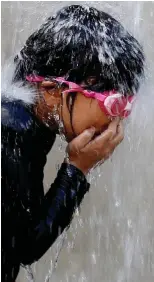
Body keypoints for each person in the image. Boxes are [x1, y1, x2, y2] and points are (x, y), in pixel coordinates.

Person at [1, 5, 144, 282]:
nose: (116, 122)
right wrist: (76, 169)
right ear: (53, 90)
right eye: (113, 103)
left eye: (126, 107)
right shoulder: (8, 140)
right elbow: (24, 247)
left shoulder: (25, 124)